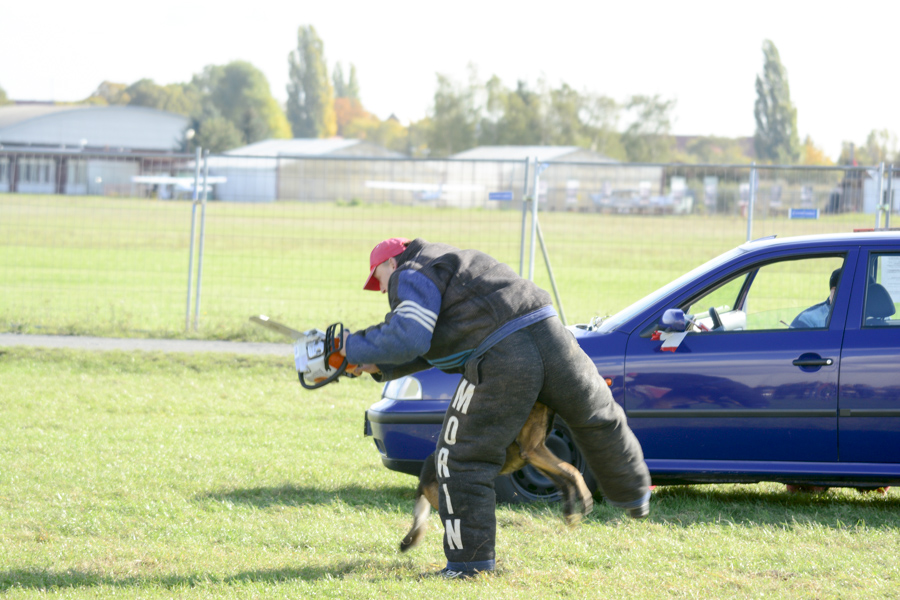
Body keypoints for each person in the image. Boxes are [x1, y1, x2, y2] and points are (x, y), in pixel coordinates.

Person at [341, 237, 651, 579]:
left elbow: (409, 335)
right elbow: (431, 343)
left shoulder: (410, 271)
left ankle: (468, 566)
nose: (384, 288)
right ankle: (634, 496)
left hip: (505, 353)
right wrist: (377, 364)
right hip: (553, 335)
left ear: (390, 263)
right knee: (598, 415)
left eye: (379, 279)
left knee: (459, 458)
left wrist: (351, 348)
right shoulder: (451, 263)